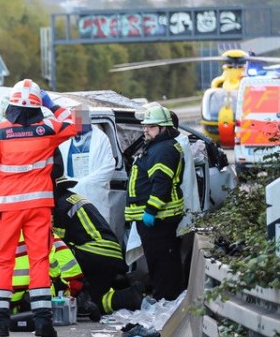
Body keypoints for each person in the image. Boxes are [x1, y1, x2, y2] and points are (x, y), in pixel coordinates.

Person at [0, 79, 79, 337]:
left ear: (11, 105)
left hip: (7, 208)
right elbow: (77, 122)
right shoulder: (47, 129)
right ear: (37, 106)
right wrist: (52, 104)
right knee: (40, 260)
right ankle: (43, 322)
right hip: (40, 206)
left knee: (2, 260)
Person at [51, 158, 141, 319]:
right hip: (108, 253)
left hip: (94, 253)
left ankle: (119, 295)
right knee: (98, 298)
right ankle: (126, 294)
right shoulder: (70, 197)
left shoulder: (57, 206)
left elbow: (56, 244)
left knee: (82, 301)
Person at [126, 103, 186, 301]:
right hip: (156, 218)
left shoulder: (163, 149)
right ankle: (167, 298)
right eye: (145, 126)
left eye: (150, 127)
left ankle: (166, 300)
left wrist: (151, 210)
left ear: (164, 128)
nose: (146, 130)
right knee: (160, 262)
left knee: (163, 264)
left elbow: (161, 183)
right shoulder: (156, 146)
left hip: (160, 217)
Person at [56, 123, 114, 215]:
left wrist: (83, 183)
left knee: (96, 224)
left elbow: (108, 167)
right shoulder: (64, 140)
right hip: (70, 196)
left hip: (95, 199)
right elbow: (58, 168)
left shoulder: (100, 138)